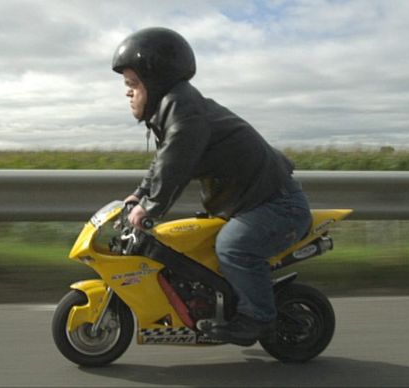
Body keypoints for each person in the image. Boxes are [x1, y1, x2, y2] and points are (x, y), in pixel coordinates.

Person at [112, 27, 312, 343]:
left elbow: (176, 162)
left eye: (133, 84)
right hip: (251, 202)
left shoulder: (184, 109)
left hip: (277, 205)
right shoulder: (176, 109)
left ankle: (257, 318)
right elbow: (164, 161)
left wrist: (150, 208)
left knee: (233, 246)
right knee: (193, 243)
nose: (128, 92)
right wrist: (140, 193)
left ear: (155, 81)